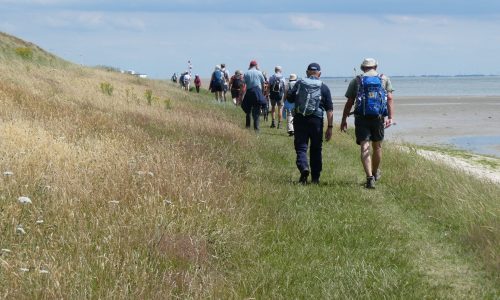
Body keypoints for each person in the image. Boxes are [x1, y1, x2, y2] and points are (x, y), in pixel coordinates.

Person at [340, 58, 394, 189]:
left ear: (363, 68)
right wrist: (390, 117)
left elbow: (349, 102)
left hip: (361, 118)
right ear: (375, 67)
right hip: (378, 118)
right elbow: (390, 98)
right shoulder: (384, 79)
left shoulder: (357, 80)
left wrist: (343, 119)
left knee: (365, 147)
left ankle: (369, 178)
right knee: (377, 147)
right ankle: (375, 173)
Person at [287, 63, 333, 184]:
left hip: (300, 119)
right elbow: (329, 109)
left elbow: (290, 98)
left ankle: (304, 167)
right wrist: (330, 127)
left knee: (301, 147)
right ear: (319, 73)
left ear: (307, 72)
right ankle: (315, 178)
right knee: (316, 148)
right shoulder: (324, 87)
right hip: (316, 121)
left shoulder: (300, 83)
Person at [241, 60, 266, 132]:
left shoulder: (246, 73)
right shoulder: (259, 73)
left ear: (250, 65)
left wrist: (242, 95)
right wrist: (262, 94)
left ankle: (248, 126)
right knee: (256, 111)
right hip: (257, 92)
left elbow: (243, 85)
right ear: (256, 65)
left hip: (249, 92)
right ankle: (256, 129)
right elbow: (263, 84)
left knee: (248, 110)